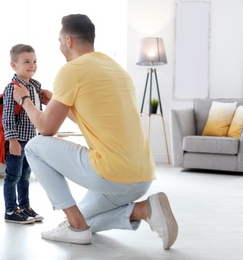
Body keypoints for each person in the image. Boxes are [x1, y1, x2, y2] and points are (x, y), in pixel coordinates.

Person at [12, 14, 178, 249]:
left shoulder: (72, 70)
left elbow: (45, 128)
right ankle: (143, 209)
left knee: (35, 147)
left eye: (59, 40)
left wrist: (25, 100)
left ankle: (75, 227)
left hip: (113, 173)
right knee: (86, 217)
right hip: (141, 177)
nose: (59, 45)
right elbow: (96, 120)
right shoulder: (116, 69)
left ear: (68, 40)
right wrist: (57, 104)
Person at [2, 44, 44, 224]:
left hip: (31, 139)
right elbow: (7, 116)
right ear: (14, 65)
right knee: (13, 176)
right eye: (26, 61)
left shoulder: (34, 86)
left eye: (34, 61)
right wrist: (12, 140)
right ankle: (11, 210)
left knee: (26, 176)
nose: (32, 65)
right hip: (17, 140)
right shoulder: (13, 88)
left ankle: (24, 206)